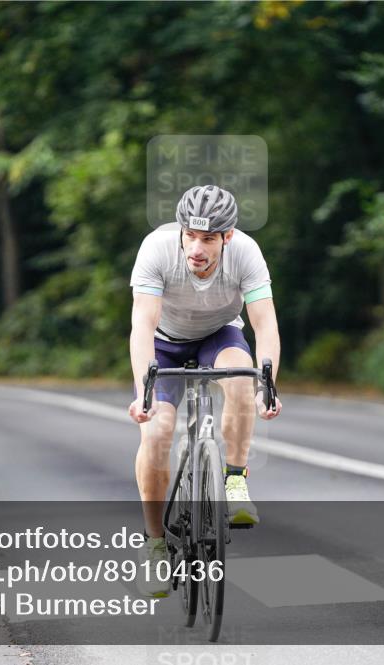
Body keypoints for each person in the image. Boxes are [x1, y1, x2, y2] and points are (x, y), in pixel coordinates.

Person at [128, 184, 282, 597]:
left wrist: (268, 386)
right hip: (164, 341)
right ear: (180, 229)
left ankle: (234, 480)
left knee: (241, 376)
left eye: (209, 238)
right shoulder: (156, 248)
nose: (196, 247)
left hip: (219, 334)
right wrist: (144, 389)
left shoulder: (247, 253)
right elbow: (141, 324)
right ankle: (156, 545)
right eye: (190, 235)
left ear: (227, 237)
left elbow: (264, 324)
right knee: (158, 432)